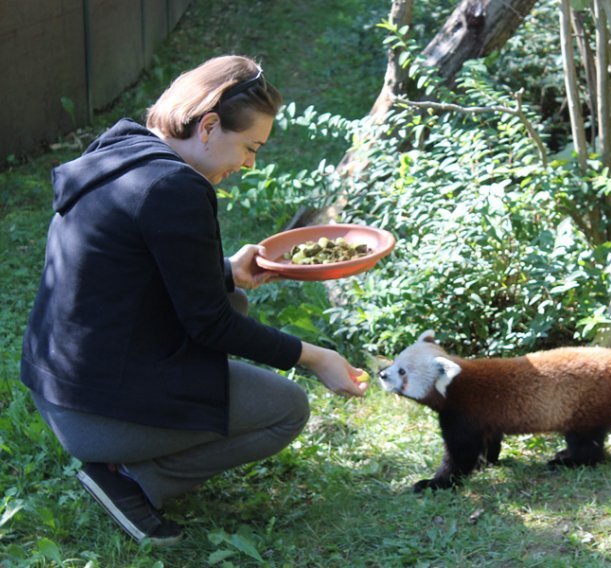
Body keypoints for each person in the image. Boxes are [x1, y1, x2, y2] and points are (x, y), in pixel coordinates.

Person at [20, 55, 367, 546]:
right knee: (288, 407)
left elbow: (127, 264)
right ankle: (131, 482)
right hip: (91, 415)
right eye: (249, 147)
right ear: (208, 125)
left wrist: (225, 270)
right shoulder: (175, 187)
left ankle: (129, 455)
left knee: (234, 300)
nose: (250, 163)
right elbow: (211, 325)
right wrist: (317, 358)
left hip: (56, 386)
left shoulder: (124, 146)